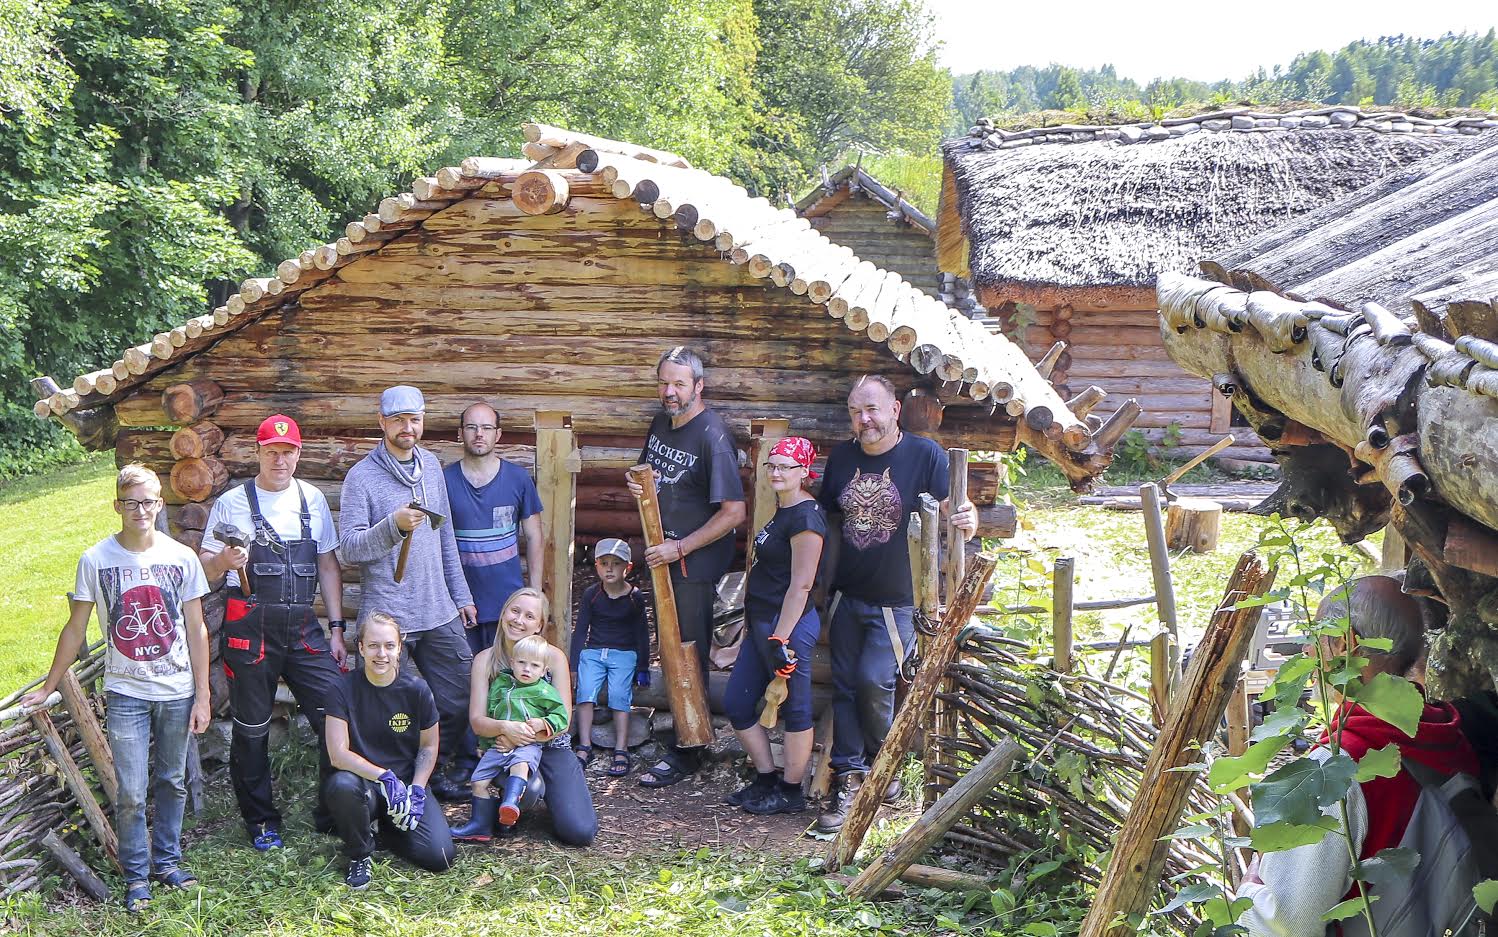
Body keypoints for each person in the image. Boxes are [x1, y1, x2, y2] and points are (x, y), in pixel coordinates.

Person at [1237, 575, 1482, 937]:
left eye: (1316, 638)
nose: (1308, 653)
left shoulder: (1337, 770)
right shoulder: (1448, 736)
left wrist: (1250, 886)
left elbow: (1290, 925)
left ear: (1344, 643)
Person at [22, 464, 211, 912]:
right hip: (126, 689)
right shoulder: (96, 559)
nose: (140, 510)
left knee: (171, 781)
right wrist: (50, 686)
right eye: (131, 503)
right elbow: (75, 628)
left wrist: (202, 694)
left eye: (147, 502)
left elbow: (196, 627)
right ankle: (137, 876)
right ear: (117, 506)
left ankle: (168, 862)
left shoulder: (181, 557)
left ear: (160, 504)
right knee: (130, 789)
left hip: (175, 688)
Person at [814, 375, 976, 834]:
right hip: (847, 595)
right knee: (844, 685)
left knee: (874, 681)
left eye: (871, 410)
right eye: (854, 411)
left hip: (897, 600)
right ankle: (850, 777)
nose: (863, 420)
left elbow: (956, 511)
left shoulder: (923, 456)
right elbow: (828, 519)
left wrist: (969, 517)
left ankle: (883, 767)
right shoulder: (843, 458)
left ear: (894, 411)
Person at [199, 414, 345, 850]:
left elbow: (327, 565)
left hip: (304, 630)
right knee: (251, 729)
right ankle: (261, 821)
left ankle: (333, 808)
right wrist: (225, 562)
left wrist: (336, 628)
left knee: (336, 714)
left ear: (299, 453)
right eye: (271, 452)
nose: (280, 460)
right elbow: (203, 571)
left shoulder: (313, 499)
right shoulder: (231, 503)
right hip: (249, 632)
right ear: (257, 452)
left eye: (288, 452)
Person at [338, 385, 477, 802]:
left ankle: (434, 771)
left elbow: (445, 532)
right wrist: (393, 526)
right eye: (398, 419)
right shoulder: (361, 478)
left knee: (458, 694)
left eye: (414, 419)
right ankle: (390, 783)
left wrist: (461, 594)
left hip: (437, 607)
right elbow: (349, 548)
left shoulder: (431, 466)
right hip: (386, 615)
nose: (407, 427)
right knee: (391, 707)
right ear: (381, 422)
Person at [626, 346, 747, 788]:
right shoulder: (662, 423)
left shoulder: (712, 436)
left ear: (699, 386)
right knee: (670, 646)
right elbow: (652, 474)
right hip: (663, 560)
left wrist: (680, 549)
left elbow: (734, 512)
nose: (670, 392)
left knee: (688, 650)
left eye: (679, 384)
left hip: (691, 567)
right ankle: (683, 728)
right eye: (664, 382)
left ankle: (691, 749)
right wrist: (638, 483)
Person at [723, 437, 826, 815]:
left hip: (789, 627)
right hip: (764, 624)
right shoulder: (783, 509)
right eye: (772, 466)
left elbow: (801, 584)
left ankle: (791, 792)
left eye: (786, 466)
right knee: (736, 701)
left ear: (804, 472)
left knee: (796, 708)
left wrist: (781, 636)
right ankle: (766, 778)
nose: (777, 472)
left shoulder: (806, 516)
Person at [323, 612, 454, 890]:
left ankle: (388, 830)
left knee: (440, 856)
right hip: (364, 785)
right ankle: (360, 854)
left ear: (399, 647)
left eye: (389, 646)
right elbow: (338, 754)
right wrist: (384, 777)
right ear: (360, 647)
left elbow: (429, 747)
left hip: (405, 787)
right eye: (373, 645)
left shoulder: (417, 690)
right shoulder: (341, 688)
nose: (381, 654)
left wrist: (417, 789)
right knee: (342, 785)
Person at [468, 587, 599, 846]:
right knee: (529, 789)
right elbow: (477, 721)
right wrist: (505, 728)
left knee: (580, 832)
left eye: (529, 616)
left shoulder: (553, 658)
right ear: (504, 613)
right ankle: (508, 807)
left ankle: (549, 800)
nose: (519, 620)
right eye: (515, 611)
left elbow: (564, 720)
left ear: (539, 626)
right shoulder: (486, 660)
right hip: (503, 748)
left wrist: (521, 737)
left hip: (551, 746)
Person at [443, 401, 544, 654]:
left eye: (487, 428)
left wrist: (534, 595)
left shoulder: (518, 479)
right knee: (465, 684)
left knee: (505, 680)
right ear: (460, 433)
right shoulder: (443, 481)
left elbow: (534, 538)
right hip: (457, 604)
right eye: (471, 427)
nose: (479, 434)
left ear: (497, 434)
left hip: (507, 606)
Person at [453, 633, 570, 840]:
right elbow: (491, 713)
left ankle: (510, 803)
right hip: (499, 744)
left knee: (521, 765)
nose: (527, 669)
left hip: (528, 743)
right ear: (513, 663)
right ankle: (479, 825)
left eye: (534, 666)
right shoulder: (501, 685)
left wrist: (542, 724)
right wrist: (485, 742)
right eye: (522, 663)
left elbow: (561, 717)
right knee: (478, 781)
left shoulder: (544, 691)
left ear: (544, 671)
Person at [569, 538, 651, 777]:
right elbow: (581, 629)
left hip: (623, 653)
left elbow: (641, 633)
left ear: (628, 568)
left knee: (618, 694)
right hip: (594, 652)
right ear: (596, 566)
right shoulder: (591, 595)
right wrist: (574, 664)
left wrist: (643, 666)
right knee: (585, 693)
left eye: (616, 564)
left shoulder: (634, 597)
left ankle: (621, 747)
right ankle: (584, 745)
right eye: (604, 563)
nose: (609, 569)